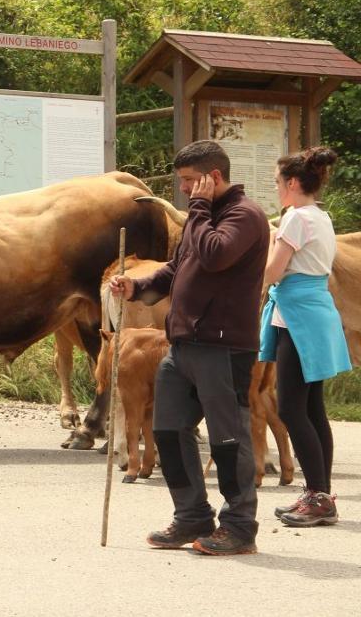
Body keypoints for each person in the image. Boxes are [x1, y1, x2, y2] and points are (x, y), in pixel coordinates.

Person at [109, 140, 269, 556]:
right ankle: (192, 516)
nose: (183, 190)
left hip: (223, 347)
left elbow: (215, 255)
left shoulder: (245, 216)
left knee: (227, 439)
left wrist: (197, 212)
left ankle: (239, 526)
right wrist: (137, 287)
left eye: (187, 182)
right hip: (180, 345)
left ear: (212, 177)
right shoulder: (204, 217)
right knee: (167, 430)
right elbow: (178, 269)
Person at [260, 146, 352, 527]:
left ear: (293, 182)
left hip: (297, 316)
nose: (277, 188)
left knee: (291, 409)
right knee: (313, 409)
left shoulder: (295, 218)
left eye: (279, 182)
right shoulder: (321, 216)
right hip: (313, 313)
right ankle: (320, 494)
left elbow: (273, 272)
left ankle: (317, 495)